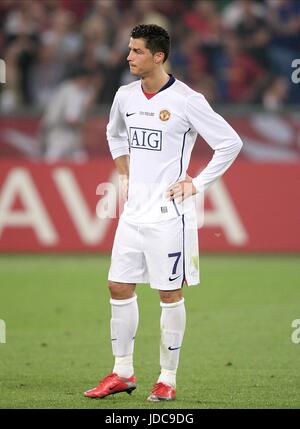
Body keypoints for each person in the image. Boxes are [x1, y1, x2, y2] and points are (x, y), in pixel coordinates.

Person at [84, 24, 243, 402]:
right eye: (129, 49)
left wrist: (197, 184)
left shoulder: (188, 101)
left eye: (137, 51)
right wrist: (123, 168)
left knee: (169, 294)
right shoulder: (124, 96)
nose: (129, 57)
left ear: (158, 56)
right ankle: (122, 372)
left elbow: (230, 143)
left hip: (170, 216)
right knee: (118, 286)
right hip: (133, 212)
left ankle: (167, 379)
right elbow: (114, 133)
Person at [40, 66, 96, 162]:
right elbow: (71, 120)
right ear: (79, 78)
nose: (87, 83)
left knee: (80, 159)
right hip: (59, 133)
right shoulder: (72, 91)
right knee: (51, 162)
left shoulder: (69, 89)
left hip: (65, 132)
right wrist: (89, 129)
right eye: (86, 80)